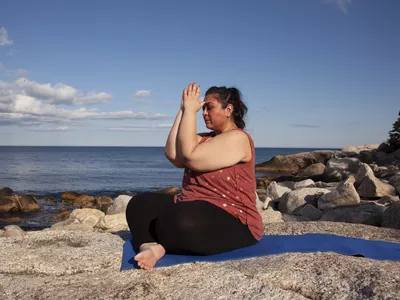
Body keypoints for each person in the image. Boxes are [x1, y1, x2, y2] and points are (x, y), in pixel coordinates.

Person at [125, 83, 263, 270]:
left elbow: (191, 157)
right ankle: (151, 247)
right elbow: (173, 154)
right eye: (202, 108)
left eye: (209, 107)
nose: (204, 112)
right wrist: (183, 110)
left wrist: (191, 112)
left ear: (228, 109)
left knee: (178, 220)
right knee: (139, 204)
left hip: (234, 219)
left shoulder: (238, 138)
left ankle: (165, 241)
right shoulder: (205, 138)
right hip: (191, 206)